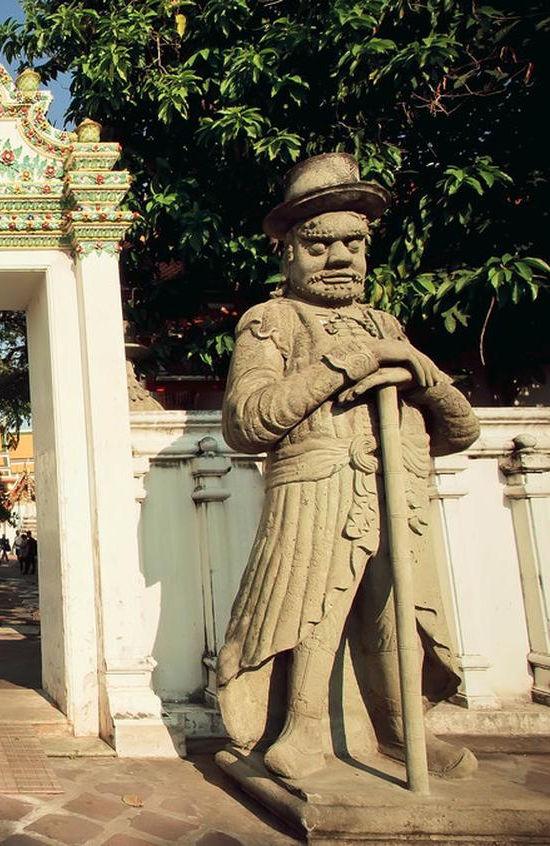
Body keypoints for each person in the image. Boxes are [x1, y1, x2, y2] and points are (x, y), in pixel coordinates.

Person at [217, 153, 480, 780]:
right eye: (320, 245)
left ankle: (401, 729)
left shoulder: (385, 323)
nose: (340, 258)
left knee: (399, 611)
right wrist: (346, 364)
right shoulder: (271, 321)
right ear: (287, 253)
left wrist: (424, 375)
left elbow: (462, 430)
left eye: (353, 243)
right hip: (317, 486)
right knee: (314, 606)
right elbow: (247, 422)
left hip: (397, 483)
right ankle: (302, 726)